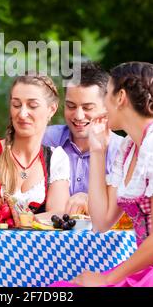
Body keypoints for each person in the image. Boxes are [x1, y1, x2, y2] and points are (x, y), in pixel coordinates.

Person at [51, 61, 153, 287]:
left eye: (106, 94)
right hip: (147, 267)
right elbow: (102, 222)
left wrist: (107, 278)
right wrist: (98, 151)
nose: (103, 106)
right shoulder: (129, 147)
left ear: (120, 97)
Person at [0, 73, 70, 215]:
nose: (22, 114)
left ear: (52, 109)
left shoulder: (56, 159)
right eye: (16, 105)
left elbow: (58, 213)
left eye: (32, 106)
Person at [43, 61, 122, 215]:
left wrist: (92, 200)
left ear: (106, 106)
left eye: (87, 108)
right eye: (71, 106)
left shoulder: (122, 151)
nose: (78, 116)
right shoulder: (45, 140)